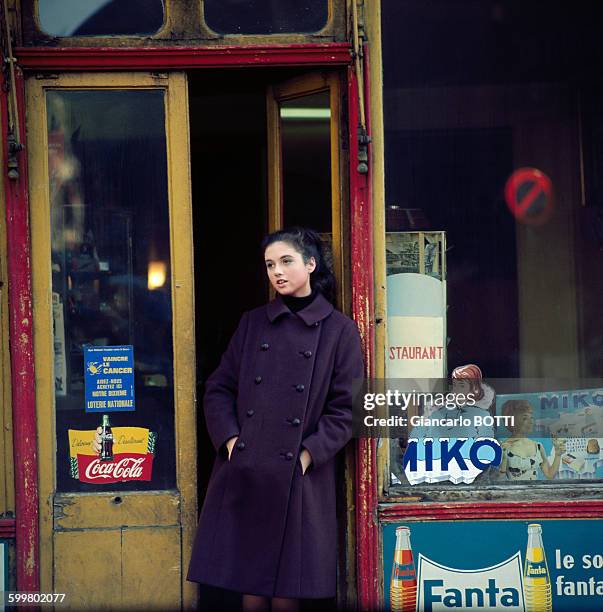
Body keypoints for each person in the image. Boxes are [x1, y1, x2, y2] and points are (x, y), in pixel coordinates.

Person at [186, 227, 365, 611]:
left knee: (286, 595)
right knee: (250, 588)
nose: (277, 272)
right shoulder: (253, 323)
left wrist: (308, 455)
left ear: (311, 264)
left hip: (297, 477)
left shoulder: (339, 331)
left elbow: (346, 409)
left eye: (286, 261)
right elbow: (218, 387)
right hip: (246, 469)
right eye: (270, 265)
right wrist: (232, 442)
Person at [499, 400, 566, 480]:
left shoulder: (537, 446)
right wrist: (504, 458)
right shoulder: (503, 447)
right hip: (514, 492)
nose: (531, 422)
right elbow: (499, 480)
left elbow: (550, 475)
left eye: (531, 417)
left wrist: (558, 454)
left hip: (535, 492)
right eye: (525, 418)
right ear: (512, 421)